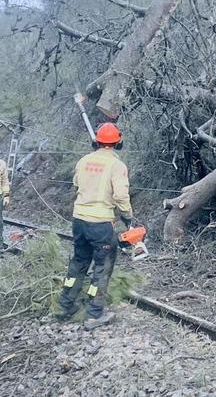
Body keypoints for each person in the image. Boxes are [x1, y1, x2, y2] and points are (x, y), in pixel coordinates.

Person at [56, 123, 136, 329]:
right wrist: (128, 217)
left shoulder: (84, 161)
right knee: (102, 267)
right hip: (100, 223)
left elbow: (76, 185)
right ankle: (95, 313)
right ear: (118, 142)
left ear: (97, 141)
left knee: (79, 262)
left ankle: (65, 305)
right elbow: (120, 195)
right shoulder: (117, 166)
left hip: (79, 220)